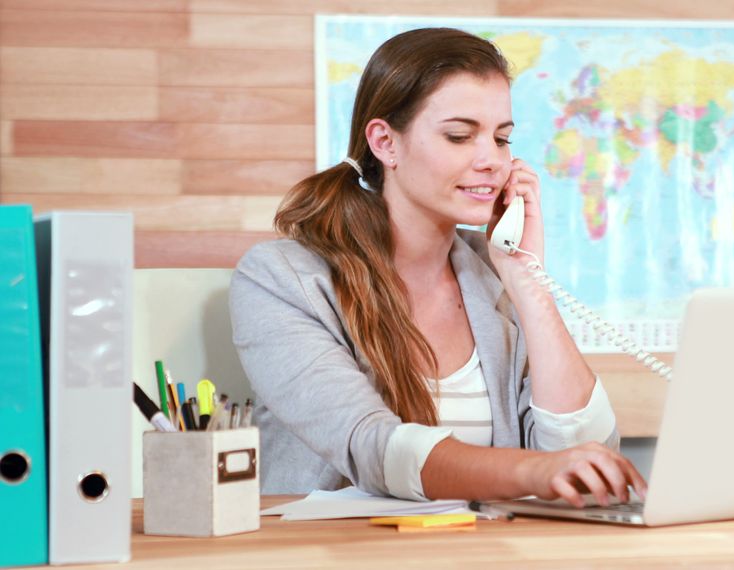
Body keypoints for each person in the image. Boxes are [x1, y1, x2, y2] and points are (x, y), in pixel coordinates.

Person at [229, 27, 646, 507]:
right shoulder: (283, 279)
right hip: (338, 553)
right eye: (460, 136)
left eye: (502, 138)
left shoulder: (493, 279)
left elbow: (580, 461)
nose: (492, 160)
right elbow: (372, 447)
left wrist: (528, 281)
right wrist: (533, 471)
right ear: (385, 143)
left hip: (486, 553)